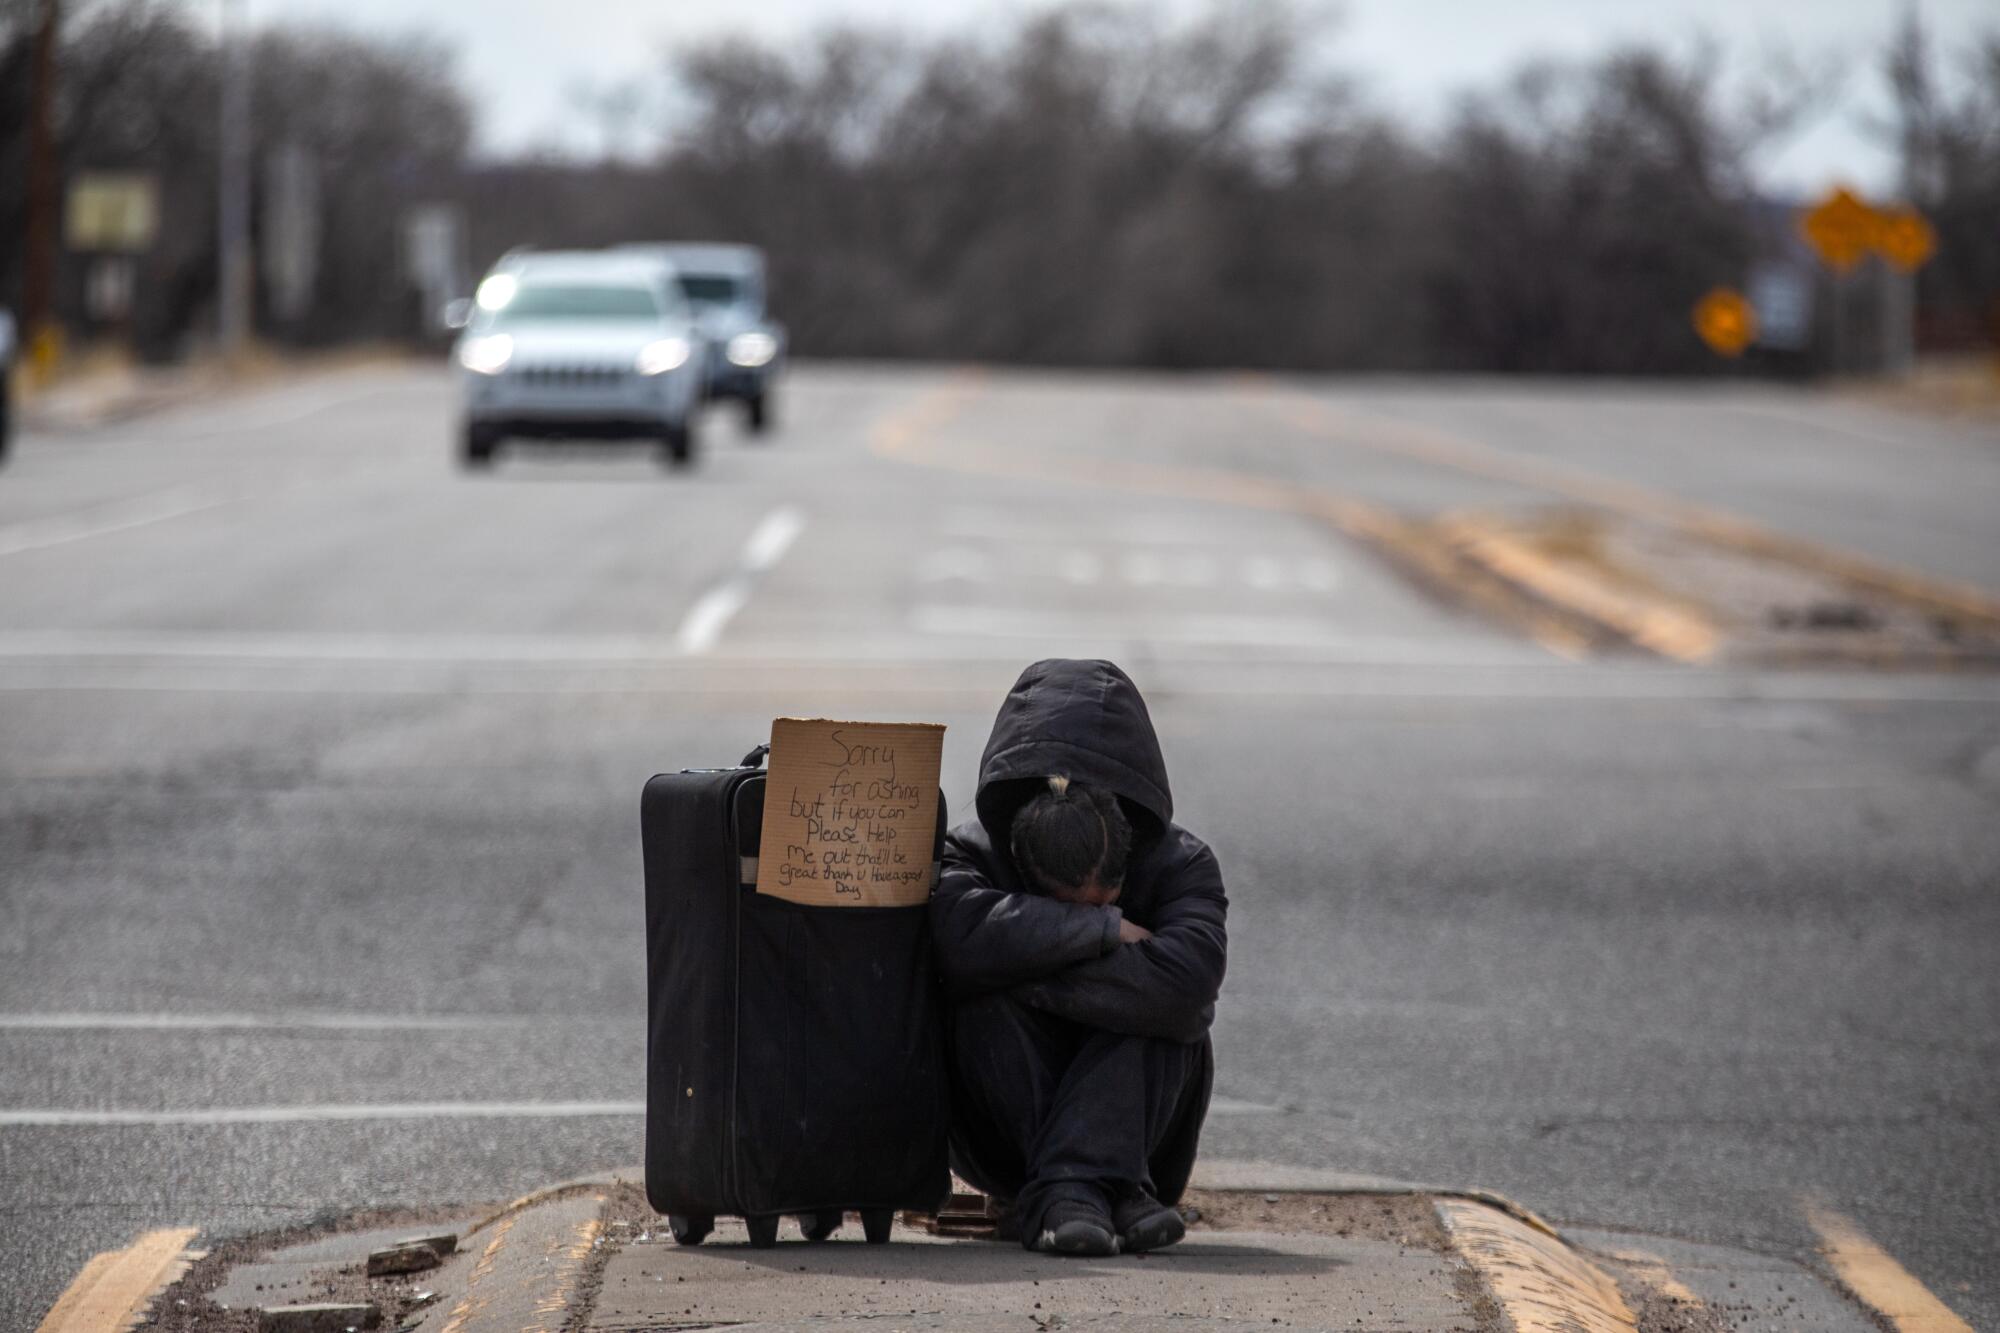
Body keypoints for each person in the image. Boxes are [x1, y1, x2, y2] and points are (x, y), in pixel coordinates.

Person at [931, 658, 1228, 1257]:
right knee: (984, 1003)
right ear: (1022, 861)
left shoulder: (1184, 865)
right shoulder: (967, 855)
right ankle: (1099, 1191)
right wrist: (1105, 929)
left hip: (1150, 1142)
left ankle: (1073, 1190)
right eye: (1063, 906)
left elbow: (1188, 984)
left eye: (1107, 900)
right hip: (1003, 1141)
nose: (1093, 913)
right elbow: (955, 941)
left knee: (1168, 1013)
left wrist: (1031, 962)